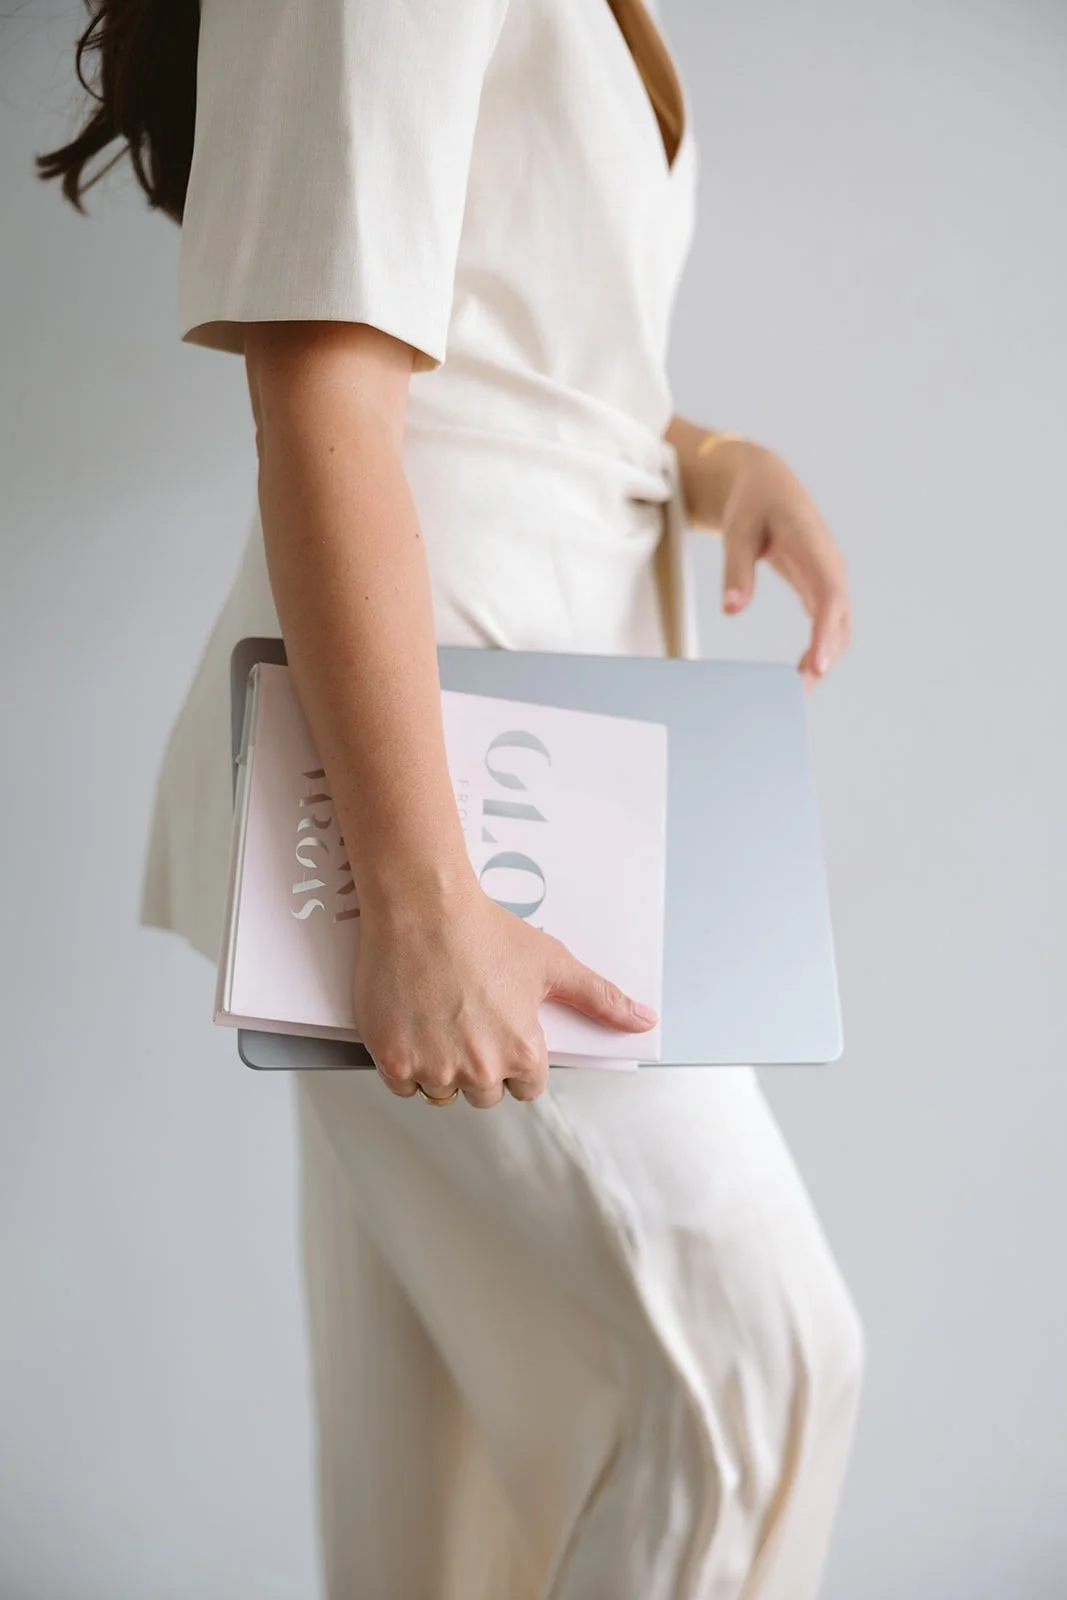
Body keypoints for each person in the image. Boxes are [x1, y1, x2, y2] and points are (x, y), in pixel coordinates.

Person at [40, 0, 863, 1594]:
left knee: (446, 1504)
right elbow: (320, 381)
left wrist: (711, 458)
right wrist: (417, 891)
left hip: (524, 736)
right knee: (750, 1388)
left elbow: (492, 313)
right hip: (435, 764)